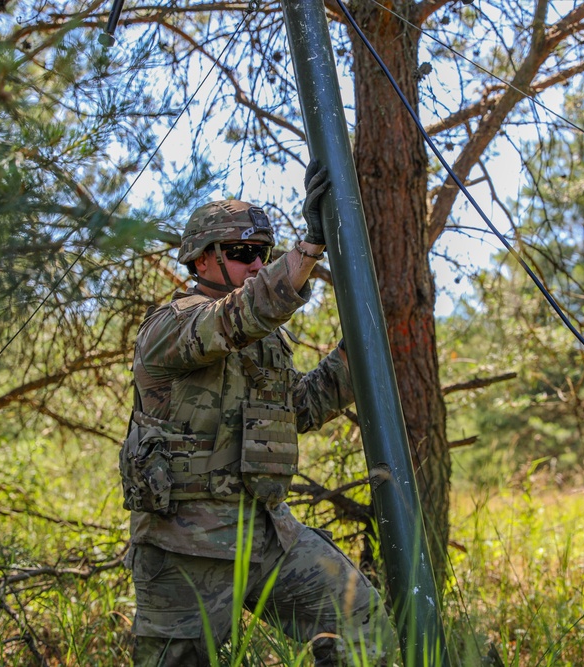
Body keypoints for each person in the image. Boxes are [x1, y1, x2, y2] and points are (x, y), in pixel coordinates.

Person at [120, 161, 395, 666]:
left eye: (262, 254)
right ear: (201, 260)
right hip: (187, 545)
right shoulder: (173, 326)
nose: (255, 263)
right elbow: (239, 316)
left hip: (266, 534)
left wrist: (359, 348)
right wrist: (308, 249)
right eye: (242, 252)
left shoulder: (263, 338)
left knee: (361, 621)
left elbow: (300, 409)